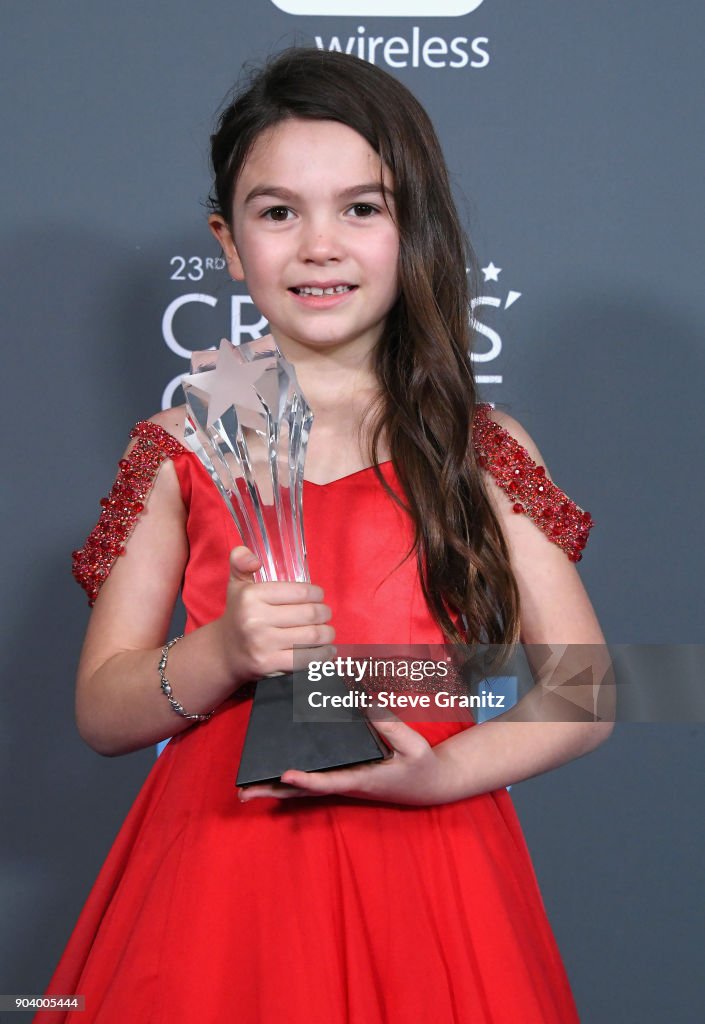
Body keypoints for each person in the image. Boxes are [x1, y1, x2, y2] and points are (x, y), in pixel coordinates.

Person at [39, 47, 610, 1023]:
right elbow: (102, 707)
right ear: (227, 241)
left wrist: (441, 775)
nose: (318, 245)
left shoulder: (481, 447)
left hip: (433, 865)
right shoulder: (182, 444)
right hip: (222, 873)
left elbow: (584, 687)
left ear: (411, 224)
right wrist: (222, 650)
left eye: (361, 206)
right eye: (277, 212)